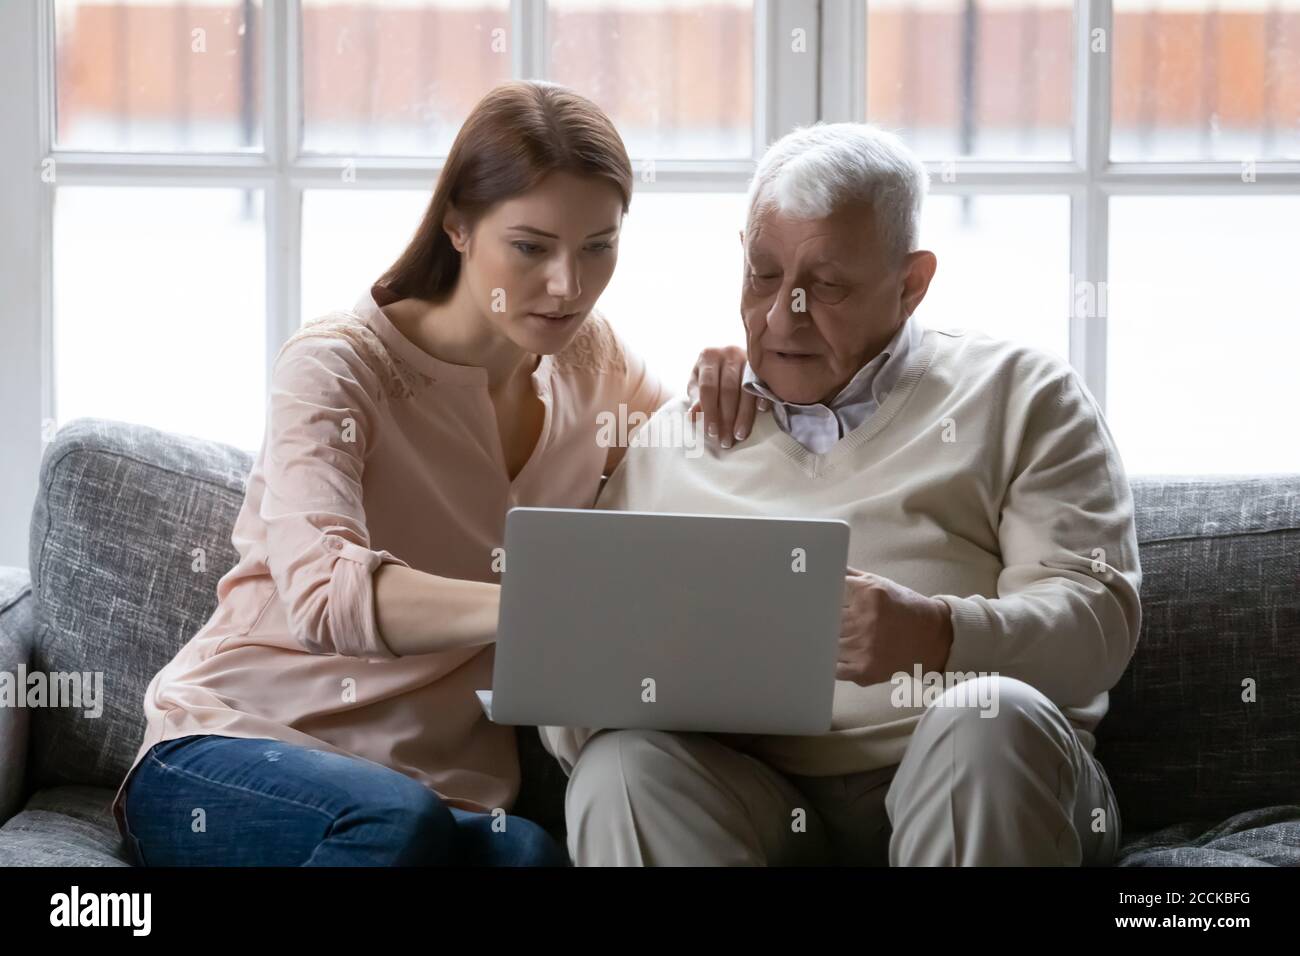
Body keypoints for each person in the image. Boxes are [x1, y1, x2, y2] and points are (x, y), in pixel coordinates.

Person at [112, 80, 755, 867]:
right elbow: (323, 593)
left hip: (443, 792)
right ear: (457, 224)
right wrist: (535, 606)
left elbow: (691, 468)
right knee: (394, 824)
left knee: (528, 857)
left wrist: (733, 381)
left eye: (598, 246)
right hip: (234, 749)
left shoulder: (596, 363)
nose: (569, 285)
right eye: (530, 246)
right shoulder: (337, 368)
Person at [542, 122, 1143, 867]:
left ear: (911, 282)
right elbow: (567, 690)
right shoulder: (679, 432)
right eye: (764, 275)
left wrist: (938, 634)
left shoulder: (1021, 394)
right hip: (756, 793)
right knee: (620, 772)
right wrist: (632, 693)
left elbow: (1097, 628)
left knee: (986, 719)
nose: (780, 315)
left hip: (984, 771)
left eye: (826, 286)